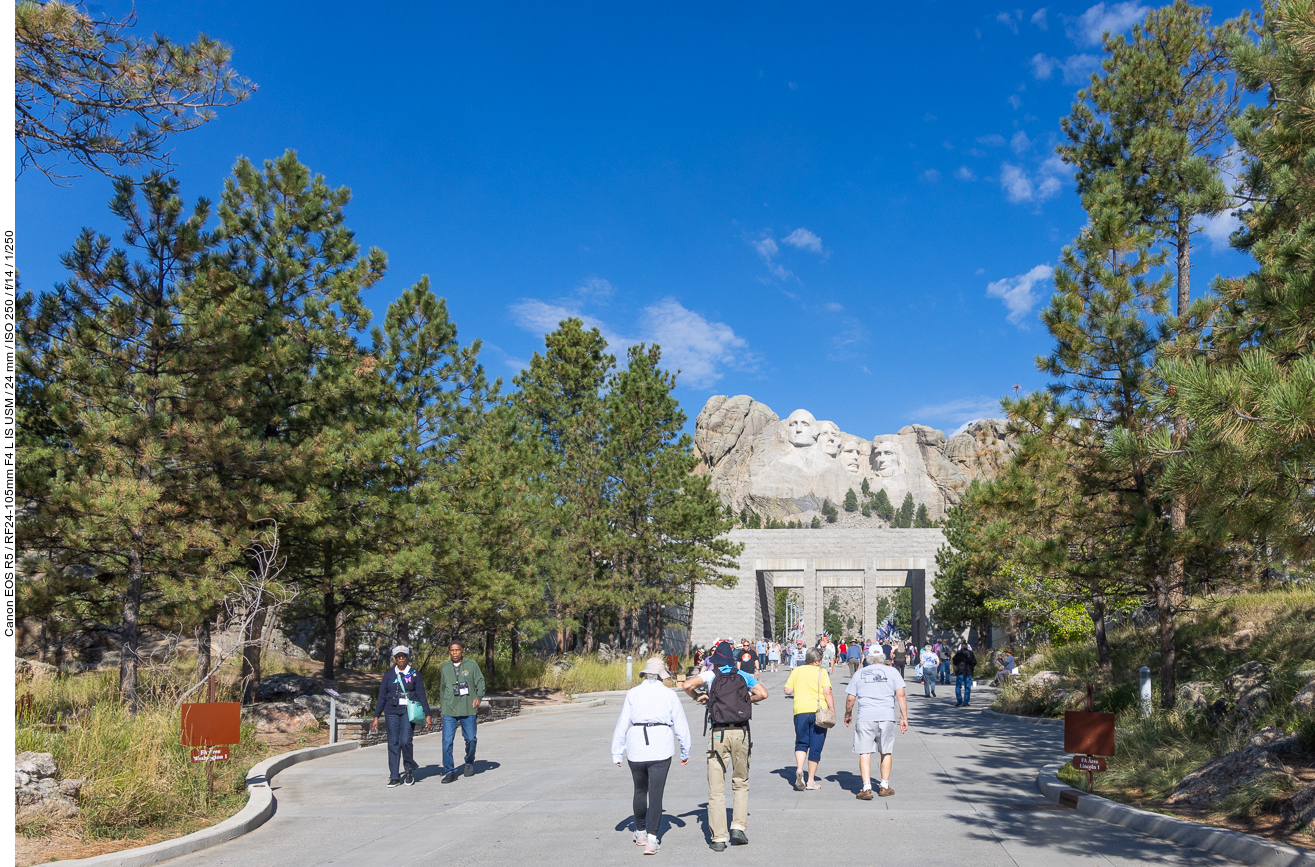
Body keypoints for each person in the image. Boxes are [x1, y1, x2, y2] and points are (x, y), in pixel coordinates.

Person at [683, 641, 768, 851]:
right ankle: (738, 827)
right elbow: (763, 693)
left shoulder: (712, 675)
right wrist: (747, 699)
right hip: (741, 732)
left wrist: (700, 697)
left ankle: (719, 839)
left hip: (718, 734)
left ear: (716, 661)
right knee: (740, 782)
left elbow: (686, 685)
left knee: (716, 787)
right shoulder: (743, 676)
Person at [613, 657, 692, 855]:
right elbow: (680, 724)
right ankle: (652, 838)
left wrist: (617, 751)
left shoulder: (633, 693)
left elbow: (623, 723)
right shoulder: (669, 694)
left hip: (636, 744)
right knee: (656, 793)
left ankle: (640, 831)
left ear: (645, 673)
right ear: (661, 675)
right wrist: (685, 750)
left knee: (640, 790)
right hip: (661, 745)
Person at [844, 650, 909, 798]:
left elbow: (850, 698)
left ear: (868, 658)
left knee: (865, 752)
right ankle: (884, 786)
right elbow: (901, 695)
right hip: (886, 716)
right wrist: (904, 717)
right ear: (883, 657)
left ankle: (866, 787)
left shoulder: (860, 673)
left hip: (865, 716)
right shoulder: (892, 672)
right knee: (886, 750)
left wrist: (848, 714)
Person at [370, 645, 432, 787]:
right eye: (398, 656)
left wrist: (428, 714)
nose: (401, 658)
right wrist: (376, 716)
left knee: (405, 741)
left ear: (407, 657)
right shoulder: (388, 675)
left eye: (403, 656)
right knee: (393, 744)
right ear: (394, 659)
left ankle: (409, 770)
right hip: (391, 711)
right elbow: (382, 696)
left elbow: (422, 695)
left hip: (407, 711)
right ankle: (394, 776)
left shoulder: (414, 674)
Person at [782, 647, 834, 792]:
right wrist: (832, 709)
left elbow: (787, 690)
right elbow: (827, 692)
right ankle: (811, 781)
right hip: (818, 711)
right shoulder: (821, 672)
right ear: (817, 661)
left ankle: (799, 769)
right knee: (816, 745)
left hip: (800, 711)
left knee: (801, 742)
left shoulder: (797, 670)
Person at [438, 641, 485, 783]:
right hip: (449, 709)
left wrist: (478, 697)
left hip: (468, 707)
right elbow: (442, 688)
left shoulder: (471, 665)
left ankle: (469, 762)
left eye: (457, 650)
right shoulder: (444, 667)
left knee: (470, 739)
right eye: (451, 650)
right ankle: (449, 771)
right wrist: (442, 708)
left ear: (463, 650)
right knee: (446, 741)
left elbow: (480, 682)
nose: (454, 653)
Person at [952, 641, 977, 707]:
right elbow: (974, 662)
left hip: (960, 672)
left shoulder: (958, 653)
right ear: (967, 646)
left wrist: (958, 665)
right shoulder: (970, 653)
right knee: (967, 687)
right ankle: (966, 702)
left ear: (962, 646)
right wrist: (971, 667)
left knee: (958, 686)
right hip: (968, 672)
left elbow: (954, 661)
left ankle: (959, 700)